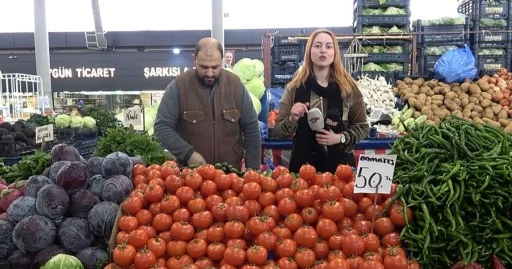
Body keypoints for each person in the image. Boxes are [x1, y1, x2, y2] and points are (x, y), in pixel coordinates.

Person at [154, 38, 261, 170]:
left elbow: (251, 128)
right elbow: (162, 126)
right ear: (194, 59)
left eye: (215, 67)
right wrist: (188, 154)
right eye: (203, 67)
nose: (210, 73)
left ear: (222, 60)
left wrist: (253, 171)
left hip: (231, 176)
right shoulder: (179, 86)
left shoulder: (235, 85)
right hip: (191, 177)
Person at [274, 29, 369, 173]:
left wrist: (340, 137)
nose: (323, 50)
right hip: (302, 173)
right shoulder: (294, 88)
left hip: (340, 172)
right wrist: (292, 119)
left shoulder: (349, 88)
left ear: (335, 52)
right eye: (317, 46)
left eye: (328, 46)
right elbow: (279, 132)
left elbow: (363, 127)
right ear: (309, 51)